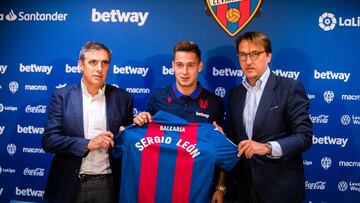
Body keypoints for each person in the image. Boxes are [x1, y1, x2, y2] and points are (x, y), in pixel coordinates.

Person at [133, 41, 227, 202]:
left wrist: (220, 187)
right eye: (179, 65)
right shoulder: (158, 97)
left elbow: (222, 151)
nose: (184, 71)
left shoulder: (214, 103)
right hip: (160, 185)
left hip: (200, 188)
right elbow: (145, 139)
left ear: (200, 66)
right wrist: (138, 123)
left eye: (190, 65)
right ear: (173, 66)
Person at [42, 41, 133, 203]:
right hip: (69, 183)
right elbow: (49, 141)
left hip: (108, 183)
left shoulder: (123, 98)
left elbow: (126, 144)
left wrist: (132, 132)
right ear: (80, 65)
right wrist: (88, 144)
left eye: (104, 63)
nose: (99, 68)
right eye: (93, 62)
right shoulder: (62, 96)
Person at [227, 31, 312, 203]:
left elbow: (304, 137)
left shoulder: (289, 87)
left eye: (255, 54)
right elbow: (235, 139)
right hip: (243, 187)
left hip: (279, 188)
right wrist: (220, 135)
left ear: (268, 56)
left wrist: (267, 147)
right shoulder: (235, 94)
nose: (248, 61)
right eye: (243, 55)